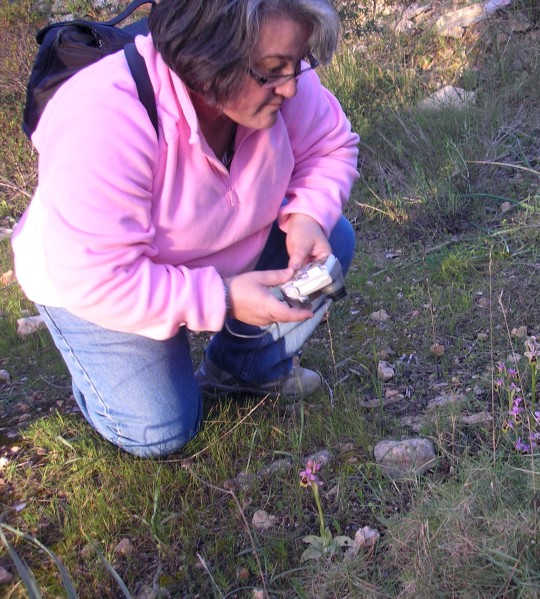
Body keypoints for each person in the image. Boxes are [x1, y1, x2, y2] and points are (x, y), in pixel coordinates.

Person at [11, 0, 360, 458]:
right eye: (274, 70)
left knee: (333, 239)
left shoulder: (278, 85)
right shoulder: (102, 118)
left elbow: (330, 145)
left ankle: (241, 370)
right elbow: (95, 276)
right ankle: (109, 381)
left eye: (297, 64)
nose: (292, 88)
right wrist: (221, 298)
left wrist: (308, 217)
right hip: (99, 280)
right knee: (161, 429)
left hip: (207, 250)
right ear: (208, 59)